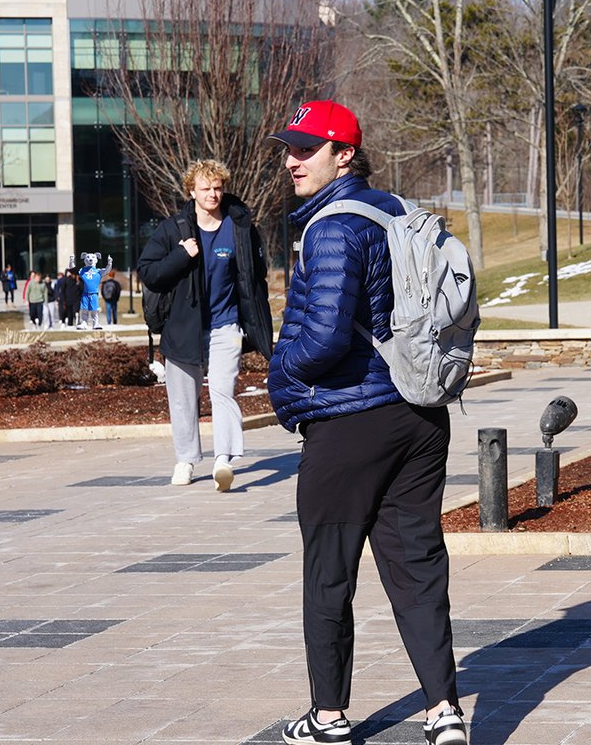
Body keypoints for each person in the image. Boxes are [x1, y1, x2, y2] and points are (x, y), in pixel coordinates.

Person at [266, 101, 468, 745]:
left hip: (352, 421)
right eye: (289, 148)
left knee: (329, 570)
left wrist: (280, 372)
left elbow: (323, 340)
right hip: (420, 416)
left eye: (306, 148)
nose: (291, 160)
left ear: (344, 154)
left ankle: (327, 717)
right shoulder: (396, 211)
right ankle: (444, 712)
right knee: (417, 566)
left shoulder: (330, 228)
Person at [137, 159, 273, 492]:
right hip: (183, 327)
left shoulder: (238, 226)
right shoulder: (174, 229)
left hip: (226, 325)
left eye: (217, 188)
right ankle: (185, 459)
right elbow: (148, 272)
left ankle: (223, 459)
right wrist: (181, 255)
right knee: (183, 397)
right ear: (191, 191)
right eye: (205, 188)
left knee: (223, 391)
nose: (213, 194)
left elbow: (255, 275)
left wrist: (255, 320)